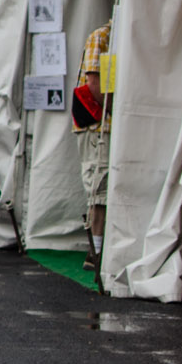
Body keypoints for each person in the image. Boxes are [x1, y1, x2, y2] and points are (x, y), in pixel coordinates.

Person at [76, 18, 113, 266]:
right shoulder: (101, 37)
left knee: (102, 182)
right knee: (99, 182)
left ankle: (99, 248)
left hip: (105, 121)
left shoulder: (114, 38)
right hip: (97, 122)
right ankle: (94, 250)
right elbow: (93, 84)